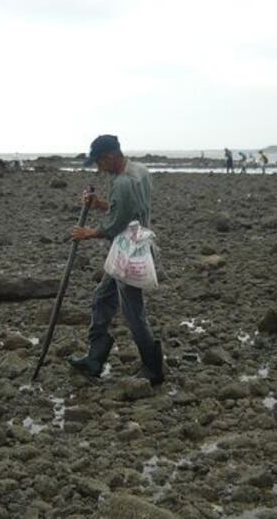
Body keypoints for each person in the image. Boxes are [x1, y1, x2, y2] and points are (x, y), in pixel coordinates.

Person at [68, 134, 164, 386]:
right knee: (102, 297)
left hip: (129, 254)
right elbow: (125, 208)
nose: (99, 168)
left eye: (100, 162)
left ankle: (153, 368)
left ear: (111, 156)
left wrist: (88, 233)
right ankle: (95, 358)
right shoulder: (139, 170)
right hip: (129, 249)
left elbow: (116, 223)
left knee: (133, 313)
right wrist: (99, 203)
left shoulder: (123, 182)